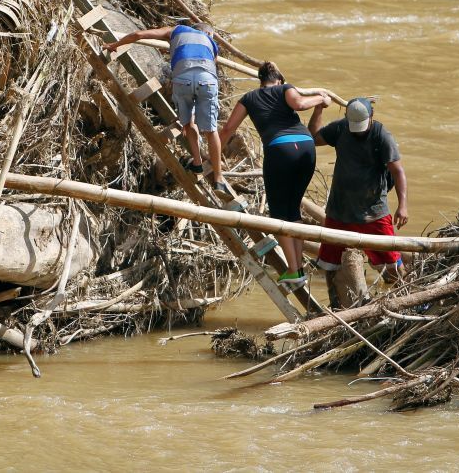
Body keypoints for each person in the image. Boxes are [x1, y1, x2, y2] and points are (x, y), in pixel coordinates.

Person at [219, 62, 329, 288]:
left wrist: (214, 155)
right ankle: (297, 268)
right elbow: (298, 103)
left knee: (280, 213)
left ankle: (294, 270)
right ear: (278, 79)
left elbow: (229, 128)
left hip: (280, 150)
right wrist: (322, 98)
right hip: (306, 147)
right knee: (292, 209)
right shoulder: (285, 88)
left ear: (261, 80)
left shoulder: (249, 98)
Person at [102, 22, 228, 195]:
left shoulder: (176, 29)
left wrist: (113, 45)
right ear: (208, 33)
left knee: (188, 123)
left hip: (183, 79)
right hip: (207, 80)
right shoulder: (211, 44)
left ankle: (197, 163)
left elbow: (139, 34)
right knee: (211, 130)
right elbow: (208, 66)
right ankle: (219, 179)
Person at [308, 96, 408, 307]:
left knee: (392, 263)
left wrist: (402, 205)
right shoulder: (341, 128)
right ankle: (336, 305)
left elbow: (397, 171)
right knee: (330, 263)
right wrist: (318, 110)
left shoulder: (381, 135)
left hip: (372, 212)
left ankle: (404, 298)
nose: (359, 130)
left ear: (371, 117)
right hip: (339, 210)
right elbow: (314, 137)